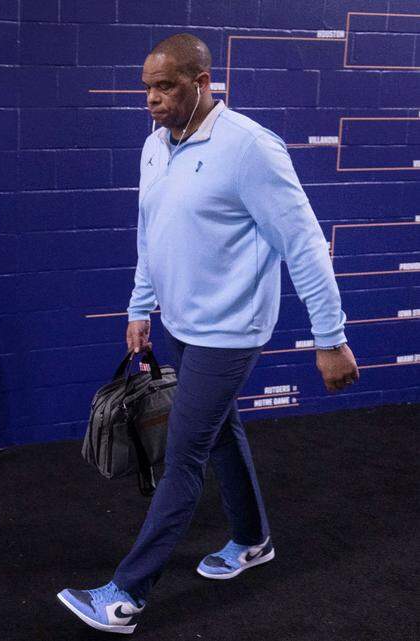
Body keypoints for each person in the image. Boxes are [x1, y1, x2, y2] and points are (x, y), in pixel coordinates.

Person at [56, 35, 359, 635]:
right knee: (220, 434)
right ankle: (252, 540)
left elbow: (303, 245)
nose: (152, 99)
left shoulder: (249, 149)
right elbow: (152, 234)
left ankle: (125, 596)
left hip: (231, 330)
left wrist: (330, 337)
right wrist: (140, 305)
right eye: (146, 87)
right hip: (182, 326)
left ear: (202, 82)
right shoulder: (153, 148)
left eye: (165, 86)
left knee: (184, 455)